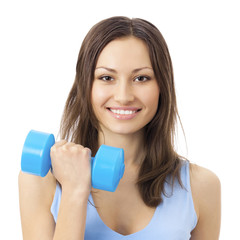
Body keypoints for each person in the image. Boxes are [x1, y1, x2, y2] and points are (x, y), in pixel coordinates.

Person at [18, 16, 221, 240]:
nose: (124, 96)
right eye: (106, 77)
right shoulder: (41, 179)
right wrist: (74, 190)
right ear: (86, 85)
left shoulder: (201, 186)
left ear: (162, 86)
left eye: (141, 78)